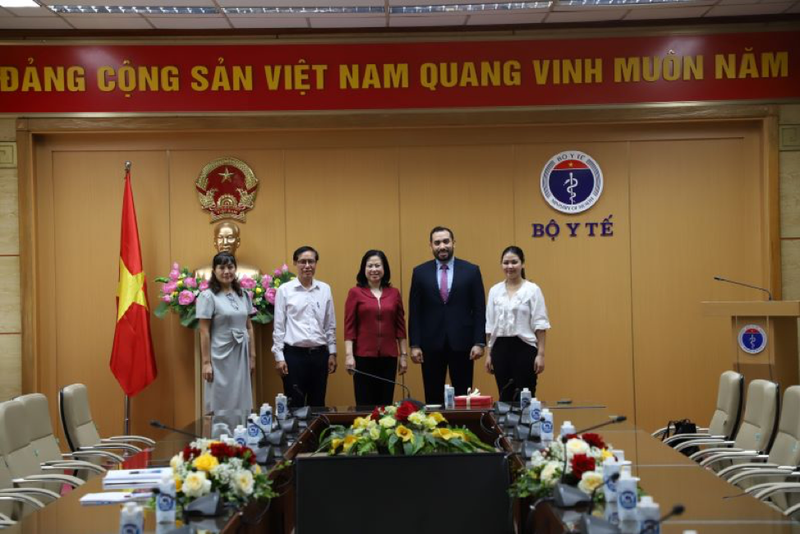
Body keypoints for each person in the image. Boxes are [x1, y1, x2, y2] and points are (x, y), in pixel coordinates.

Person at [408, 226, 486, 404]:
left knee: (463, 396)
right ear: (431, 246)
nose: (442, 246)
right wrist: (415, 344)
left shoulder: (471, 271)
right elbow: (415, 311)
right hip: (430, 344)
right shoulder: (419, 272)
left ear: (453, 243)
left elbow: (480, 309)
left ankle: (461, 432)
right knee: (433, 396)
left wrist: (479, 342)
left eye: (445, 241)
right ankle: (434, 431)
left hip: (463, 344)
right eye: (437, 243)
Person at [272, 246, 337, 408]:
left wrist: (333, 353)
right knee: (294, 405)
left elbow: (330, 325)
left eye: (311, 261)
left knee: (318, 404)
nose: (307, 265)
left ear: (316, 264)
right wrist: (279, 357)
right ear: (295, 263)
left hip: (320, 356)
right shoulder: (284, 290)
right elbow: (279, 326)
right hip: (294, 357)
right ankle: (295, 435)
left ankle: (315, 434)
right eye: (302, 261)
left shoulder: (325, 289)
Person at [484, 246, 550, 401]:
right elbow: (490, 326)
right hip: (500, 350)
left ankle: (527, 426)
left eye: (514, 262)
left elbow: (540, 325)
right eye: (506, 263)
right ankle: (506, 426)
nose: (510, 266)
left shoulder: (532, 290)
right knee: (505, 397)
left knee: (525, 397)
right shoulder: (495, 290)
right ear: (501, 265)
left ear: (522, 264)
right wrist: (489, 354)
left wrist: (540, 355)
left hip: (525, 349)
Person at [344, 250, 408, 406]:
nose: (374, 269)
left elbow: (400, 326)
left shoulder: (394, 293)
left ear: (384, 268)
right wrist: (349, 355)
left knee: (385, 404)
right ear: (363, 269)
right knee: (364, 404)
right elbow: (349, 326)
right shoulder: (355, 292)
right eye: (370, 266)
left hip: (389, 358)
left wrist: (403, 355)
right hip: (363, 358)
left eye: (378, 265)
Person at [197, 252, 256, 413]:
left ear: (235, 269)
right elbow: (204, 331)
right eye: (221, 267)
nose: (226, 271)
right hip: (219, 356)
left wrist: (252, 357)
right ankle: (219, 436)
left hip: (241, 355)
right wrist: (206, 363)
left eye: (230, 267)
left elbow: (249, 327)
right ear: (214, 270)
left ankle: (241, 436)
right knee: (220, 399)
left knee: (241, 400)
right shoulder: (208, 296)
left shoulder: (243, 294)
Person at [195, 221, 260, 281]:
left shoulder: (253, 274)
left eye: (230, 237)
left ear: (238, 242)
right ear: (215, 242)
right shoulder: (201, 274)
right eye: (220, 237)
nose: (225, 243)